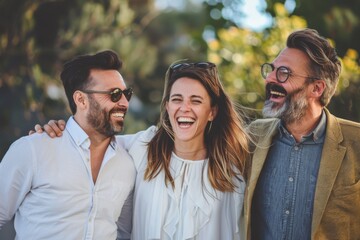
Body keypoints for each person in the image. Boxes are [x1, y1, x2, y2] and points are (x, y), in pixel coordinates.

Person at [31, 60, 250, 239]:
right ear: (167, 107)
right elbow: (88, 140)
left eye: (196, 101)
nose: (184, 108)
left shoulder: (231, 174)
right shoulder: (143, 148)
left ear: (211, 112)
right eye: (176, 99)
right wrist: (55, 133)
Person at [0, 50, 136, 239]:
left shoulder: (127, 164)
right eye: (114, 94)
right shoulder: (33, 149)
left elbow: (123, 232)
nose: (124, 102)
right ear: (81, 99)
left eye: (126, 93)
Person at [244, 28, 360, 240]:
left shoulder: (357, 143)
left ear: (316, 89)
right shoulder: (252, 137)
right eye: (271, 69)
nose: (270, 78)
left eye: (284, 73)